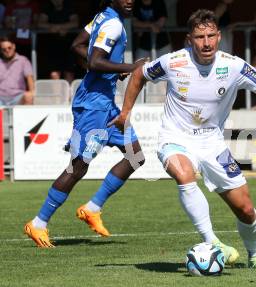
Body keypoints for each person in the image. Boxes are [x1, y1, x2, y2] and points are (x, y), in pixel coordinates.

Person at [111, 9, 256, 270]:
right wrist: (125, 112)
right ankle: (213, 241)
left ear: (219, 36)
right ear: (189, 39)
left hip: (213, 143)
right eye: (200, 37)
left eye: (212, 35)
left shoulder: (233, 65)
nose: (207, 42)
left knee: (245, 209)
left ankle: (255, 255)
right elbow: (139, 74)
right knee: (184, 174)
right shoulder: (173, 62)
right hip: (175, 138)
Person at [24, 0, 146, 248]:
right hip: (93, 105)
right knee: (78, 167)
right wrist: (131, 67)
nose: (130, 0)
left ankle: (92, 208)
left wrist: (113, 71)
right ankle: (38, 223)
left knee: (135, 156)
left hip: (105, 102)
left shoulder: (102, 17)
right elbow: (94, 62)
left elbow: (77, 45)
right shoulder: (111, 24)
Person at [38, 0, 79, 83]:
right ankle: (57, 95)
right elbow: (40, 23)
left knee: (69, 72)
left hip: (69, 45)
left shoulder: (69, 7)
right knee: (54, 73)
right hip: (52, 46)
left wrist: (62, 28)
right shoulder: (47, 8)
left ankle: (69, 95)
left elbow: (75, 23)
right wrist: (53, 27)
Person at [0, 37, 34, 105]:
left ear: (14, 46)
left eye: (9, 48)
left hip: (18, 97)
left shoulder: (23, 60)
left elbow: (29, 78)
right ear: (1, 50)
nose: (7, 50)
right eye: (4, 49)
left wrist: (31, 92)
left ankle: (25, 116)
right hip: (1, 98)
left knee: (28, 96)